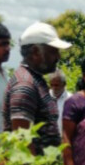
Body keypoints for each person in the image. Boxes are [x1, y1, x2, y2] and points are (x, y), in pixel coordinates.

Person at [4, 22, 72, 155]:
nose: (58, 57)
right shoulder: (25, 85)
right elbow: (22, 142)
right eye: (53, 51)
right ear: (35, 52)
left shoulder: (35, 80)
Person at [49, 70, 71, 135]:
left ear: (64, 84)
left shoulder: (70, 99)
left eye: (56, 85)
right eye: (51, 85)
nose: (54, 88)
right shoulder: (44, 97)